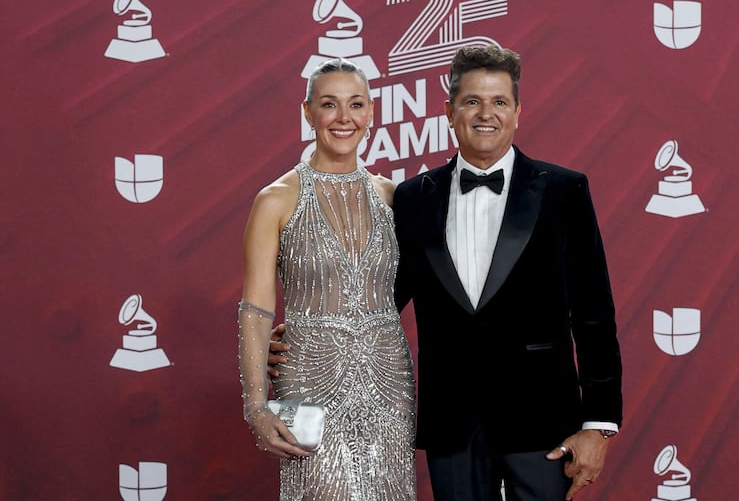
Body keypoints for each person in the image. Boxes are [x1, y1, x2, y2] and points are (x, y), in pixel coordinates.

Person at [270, 45, 622, 501]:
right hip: (452, 423)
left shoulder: (564, 191)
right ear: (449, 112)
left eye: (499, 102)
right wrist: (303, 336)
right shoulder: (414, 198)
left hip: (543, 421)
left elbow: (594, 314)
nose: (485, 114)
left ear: (517, 111)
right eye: (472, 101)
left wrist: (598, 425)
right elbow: (379, 298)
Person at [238, 57, 417, 501]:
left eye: (356, 104)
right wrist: (257, 407)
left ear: (372, 113)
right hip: (308, 377)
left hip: (388, 378)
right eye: (329, 104)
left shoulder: (393, 197)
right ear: (308, 112)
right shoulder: (275, 200)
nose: (344, 118)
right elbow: (257, 311)